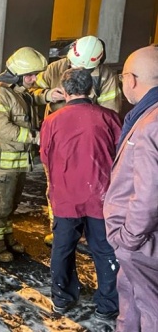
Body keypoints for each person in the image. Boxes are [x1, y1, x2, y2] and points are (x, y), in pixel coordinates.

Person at [39, 68, 120, 319]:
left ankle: (62, 299)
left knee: (62, 248)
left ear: (63, 92)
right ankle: (108, 305)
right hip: (101, 196)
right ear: (92, 89)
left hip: (65, 198)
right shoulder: (110, 117)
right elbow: (122, 156)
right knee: (105, 250)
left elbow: (44, 157)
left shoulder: (52, 121)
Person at [32, 35, 122, 246]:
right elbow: (30, 90)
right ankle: (60, 232)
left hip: (89, 144)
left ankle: (91, 232)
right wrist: (46, 95)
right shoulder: (56, 68)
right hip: (59, 140)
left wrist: (84, 103)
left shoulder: (106, 76)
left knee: (92, 187)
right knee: (56, 187)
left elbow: (111, 115)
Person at [104, 45, 158, 331]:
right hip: (140, 245)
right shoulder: (148, 115)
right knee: (131, 301)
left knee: (151, 310)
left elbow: (149, 194)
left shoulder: (151, 124)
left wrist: (129, 238)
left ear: (132, 80)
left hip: (143, 245)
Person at [0, 47, 47, 262]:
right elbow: (3, 129)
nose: (34, 79)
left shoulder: (19, 92)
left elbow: (30, 100)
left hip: (16, 162)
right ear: (17, 75)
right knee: (1, 205)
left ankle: (6, 236)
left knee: (11, 204)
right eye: (30, 75)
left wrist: (48, 95)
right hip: (1, 164)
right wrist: (35, 137)